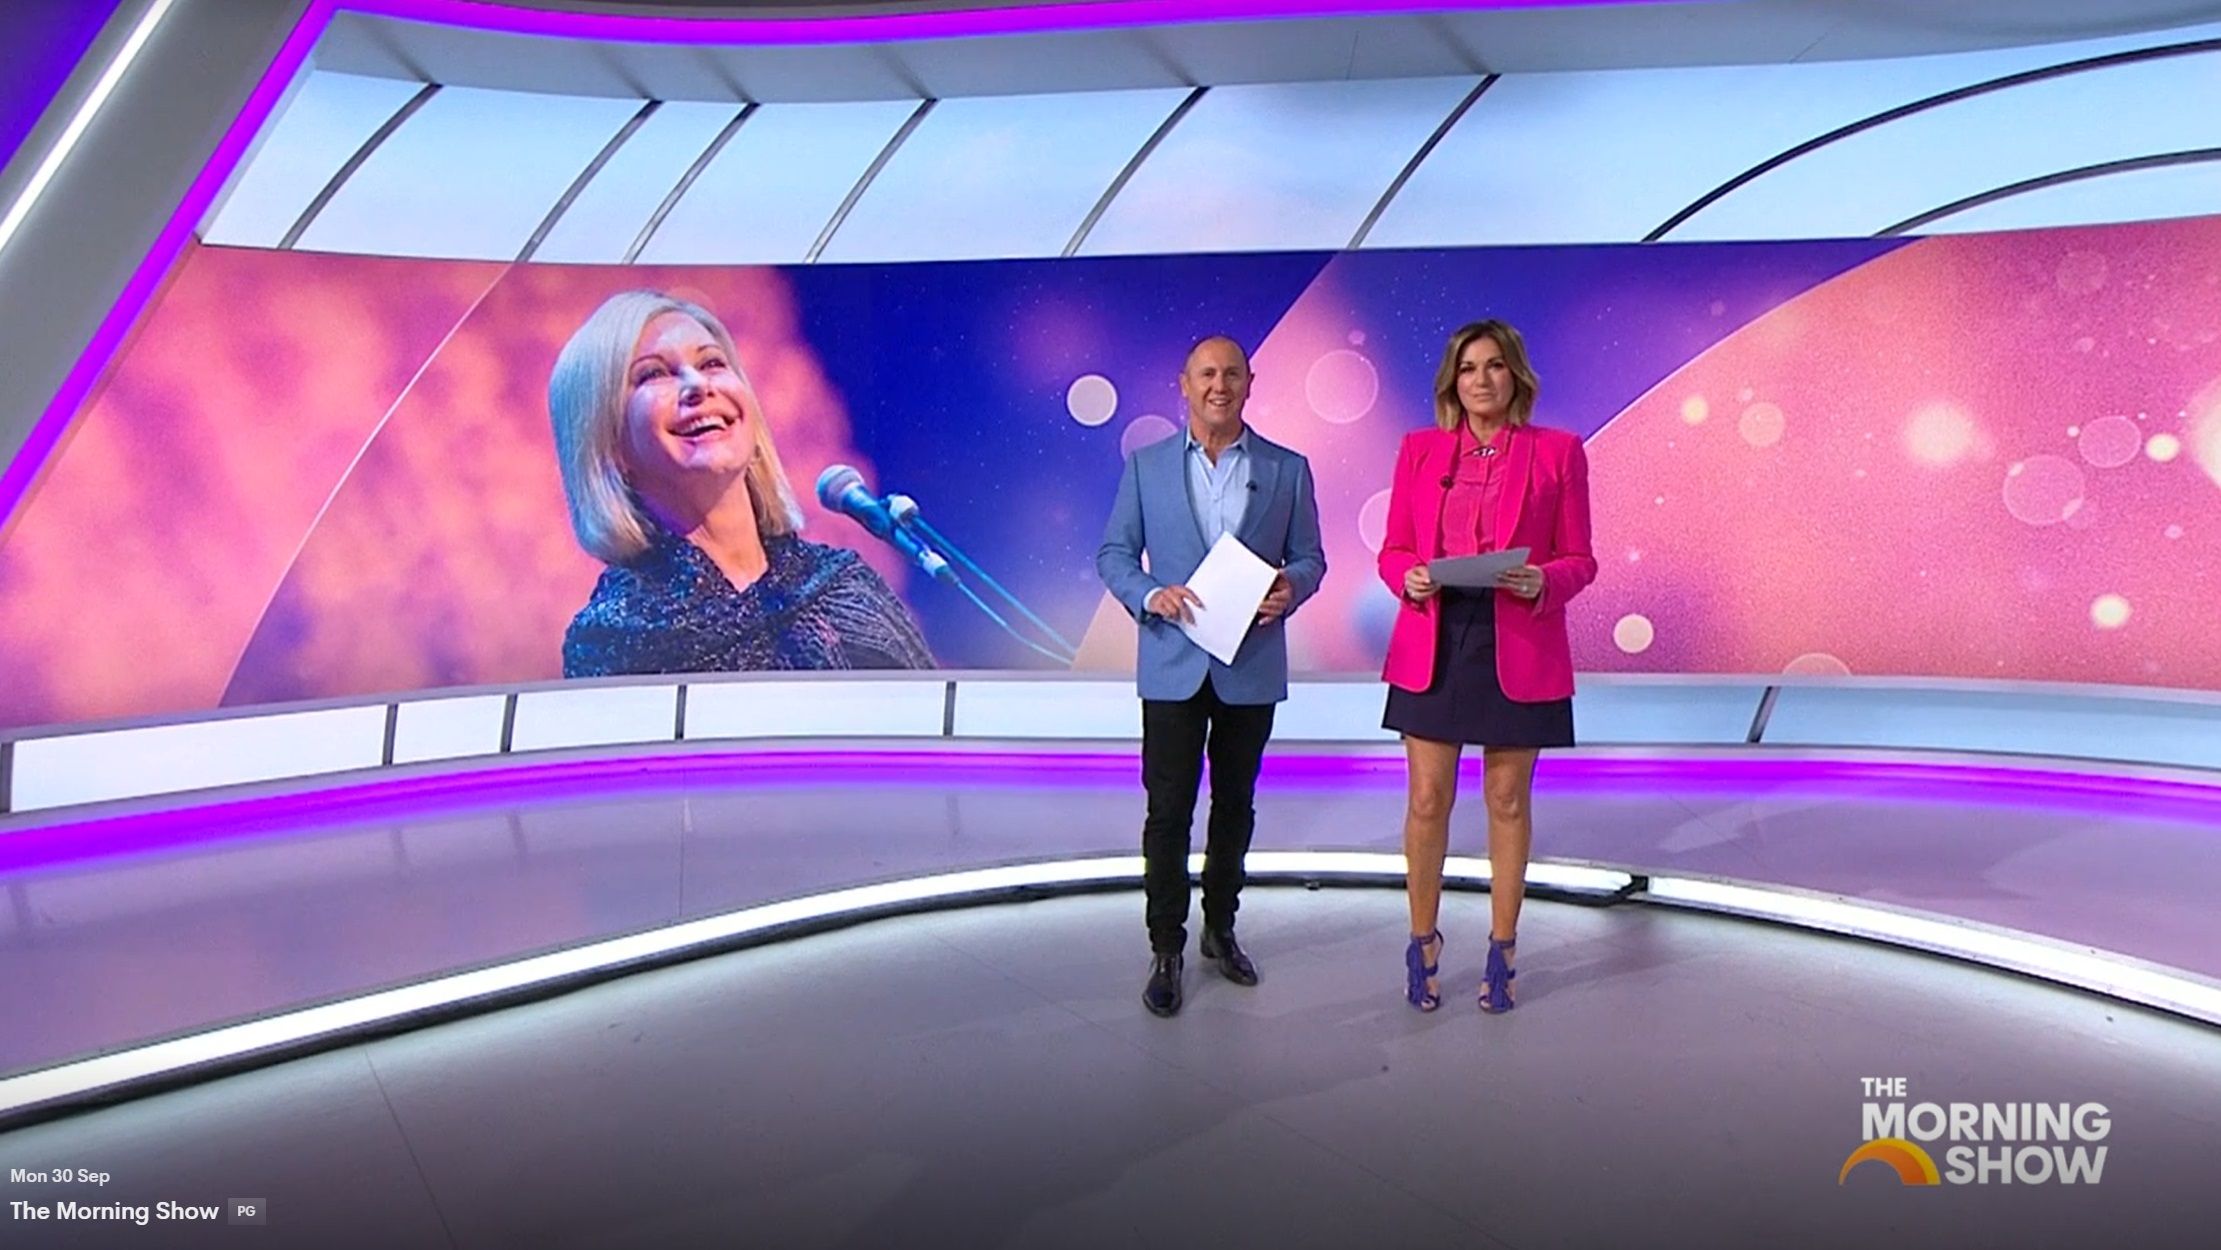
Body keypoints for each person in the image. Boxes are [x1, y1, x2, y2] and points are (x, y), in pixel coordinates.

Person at [1097, 335, 1327, 1018]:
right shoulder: (1146, 467)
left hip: (1248, 666)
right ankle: (1165, 946)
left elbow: (1310, 557)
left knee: (1235, 806)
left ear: (1250, 383)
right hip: (1173, 662)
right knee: (1167, 811)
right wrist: (1148, 594)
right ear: (1184, 383)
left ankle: (1220, 929)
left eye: (1231, 374)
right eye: (1206, 374)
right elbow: (1113, 554)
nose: (1218, 386)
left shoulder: (1286, 469)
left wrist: (1292, 587)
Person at [1376, 320, 1596, 1014]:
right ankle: (1422, 941)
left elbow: (1580, 558)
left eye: (1494, 366)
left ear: (1515, 375)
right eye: (1468, 368)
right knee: (1426, 800)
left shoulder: (1558, 451)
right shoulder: (1419, 450)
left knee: (1506, 800)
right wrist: (1406, 576)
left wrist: (1545, 580)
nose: (1481, 379)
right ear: (1452, 381)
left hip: (1516, 638)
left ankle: (1503, 948)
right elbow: (1393, 549)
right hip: (1435, 637)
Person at [549, 290, 933, 675]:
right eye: (653, 374)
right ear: (608, 442)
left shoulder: (843, 586)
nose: (698, 385)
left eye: (712, 363)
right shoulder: (611, 642)